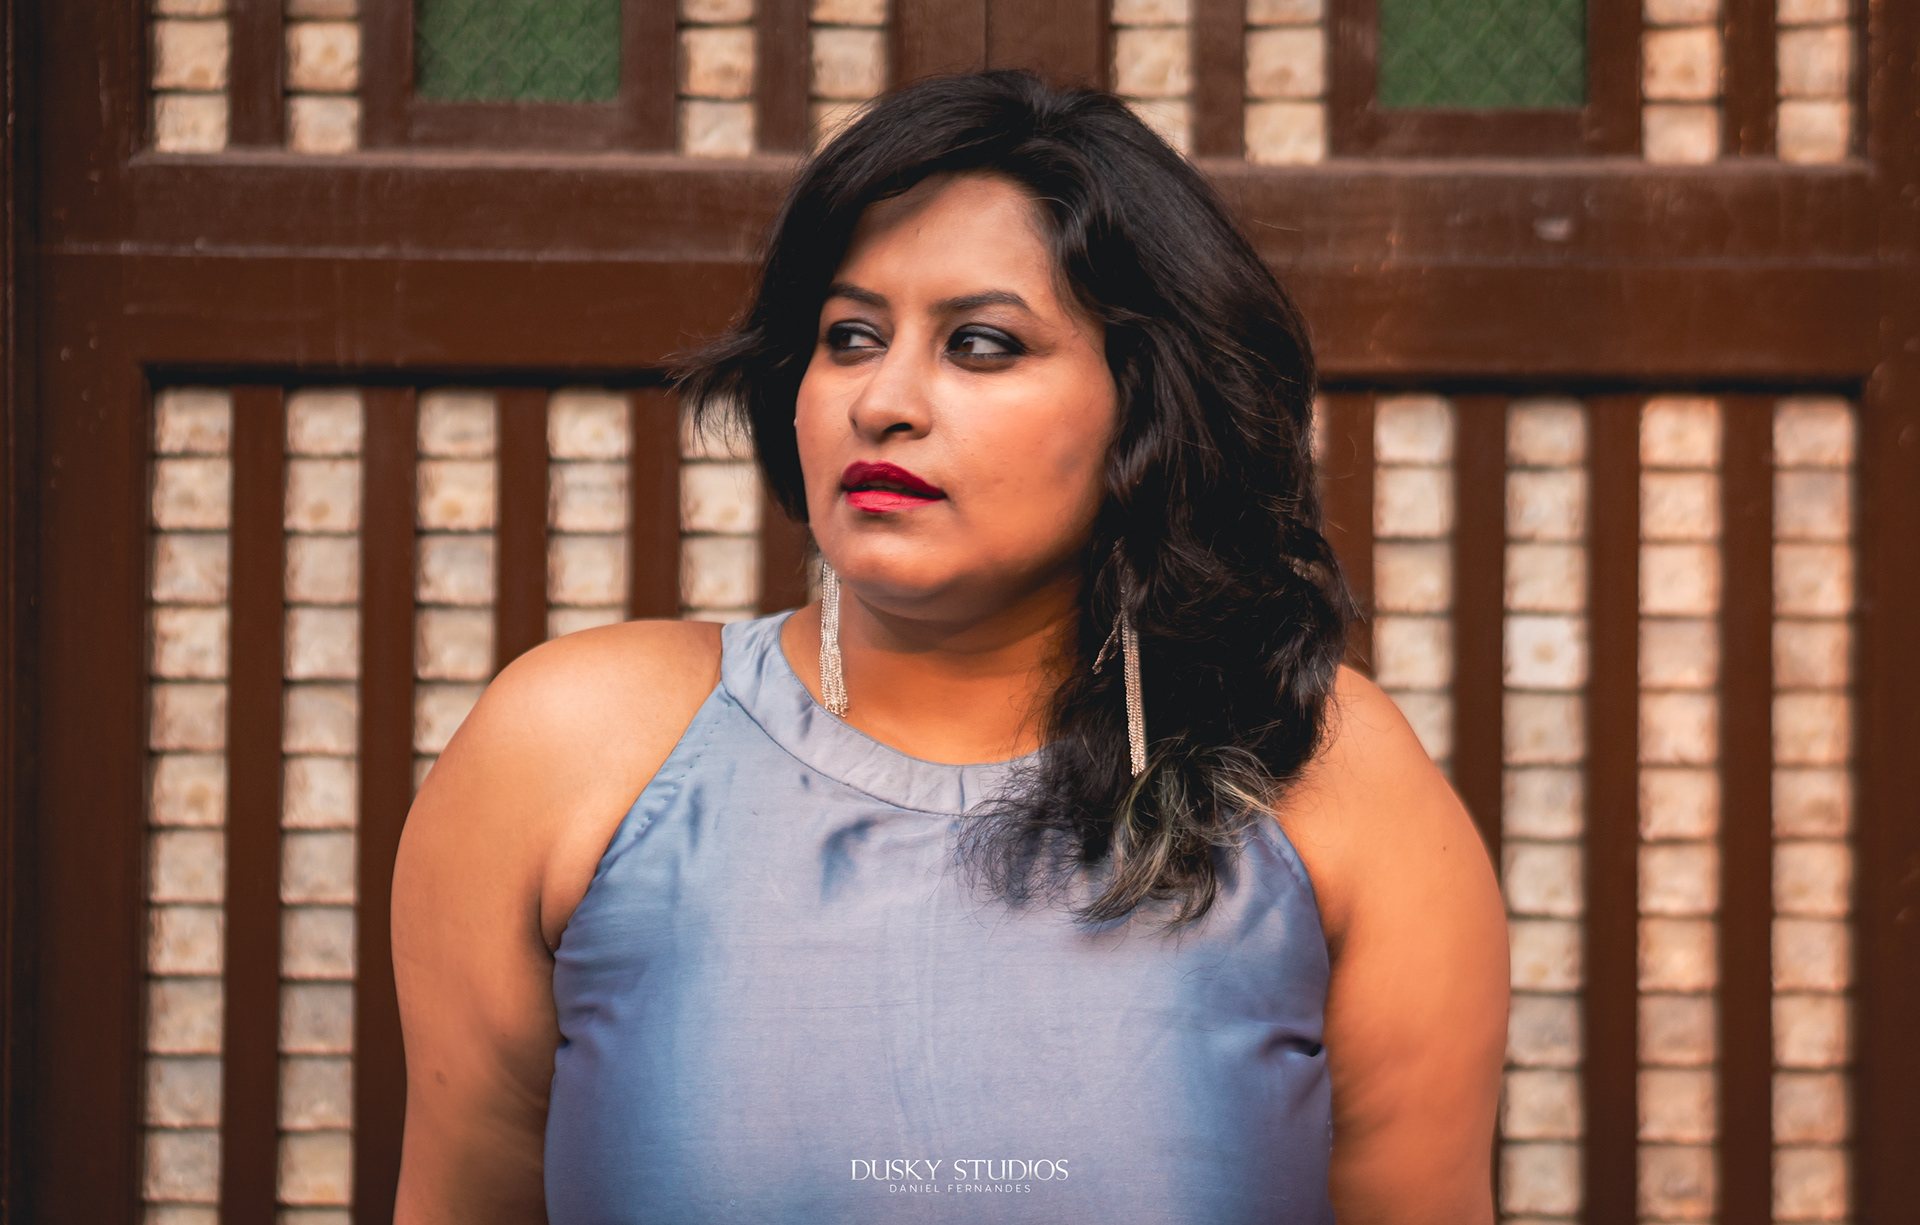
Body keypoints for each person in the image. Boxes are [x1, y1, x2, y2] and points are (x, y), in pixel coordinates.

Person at [391, 70, 1508, 1224]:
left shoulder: (1325, 775)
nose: (884, 400)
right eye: (850, 336)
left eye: (980, 344)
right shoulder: (572, 752)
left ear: (1146, 403)